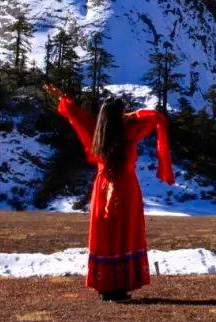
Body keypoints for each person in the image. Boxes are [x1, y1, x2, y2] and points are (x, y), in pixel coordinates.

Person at [43, 83, 174, 302]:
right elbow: (156, 117)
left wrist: (65, 99)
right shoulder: (129, 132)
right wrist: (135, 114)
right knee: (124, 234)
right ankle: (121, 285)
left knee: (106, 235)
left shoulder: (96, 132)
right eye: (124, 111)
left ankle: (105, 285)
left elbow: (76, 116)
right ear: (120, 115)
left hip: (103, 189)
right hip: (125, 188)